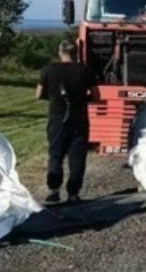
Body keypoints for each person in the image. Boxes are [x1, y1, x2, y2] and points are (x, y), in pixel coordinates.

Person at [35, 41, 99, 204]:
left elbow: (38, 94)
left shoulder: (48, 70)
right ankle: (73, 194)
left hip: (56, 119)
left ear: (60, 52)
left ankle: (54, 191)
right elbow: (96, 96)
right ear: (77, 52)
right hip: (79, 120)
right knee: (77, 157)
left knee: (56, 155)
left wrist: (53, 97)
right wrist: (83, 99)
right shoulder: (85, 70)